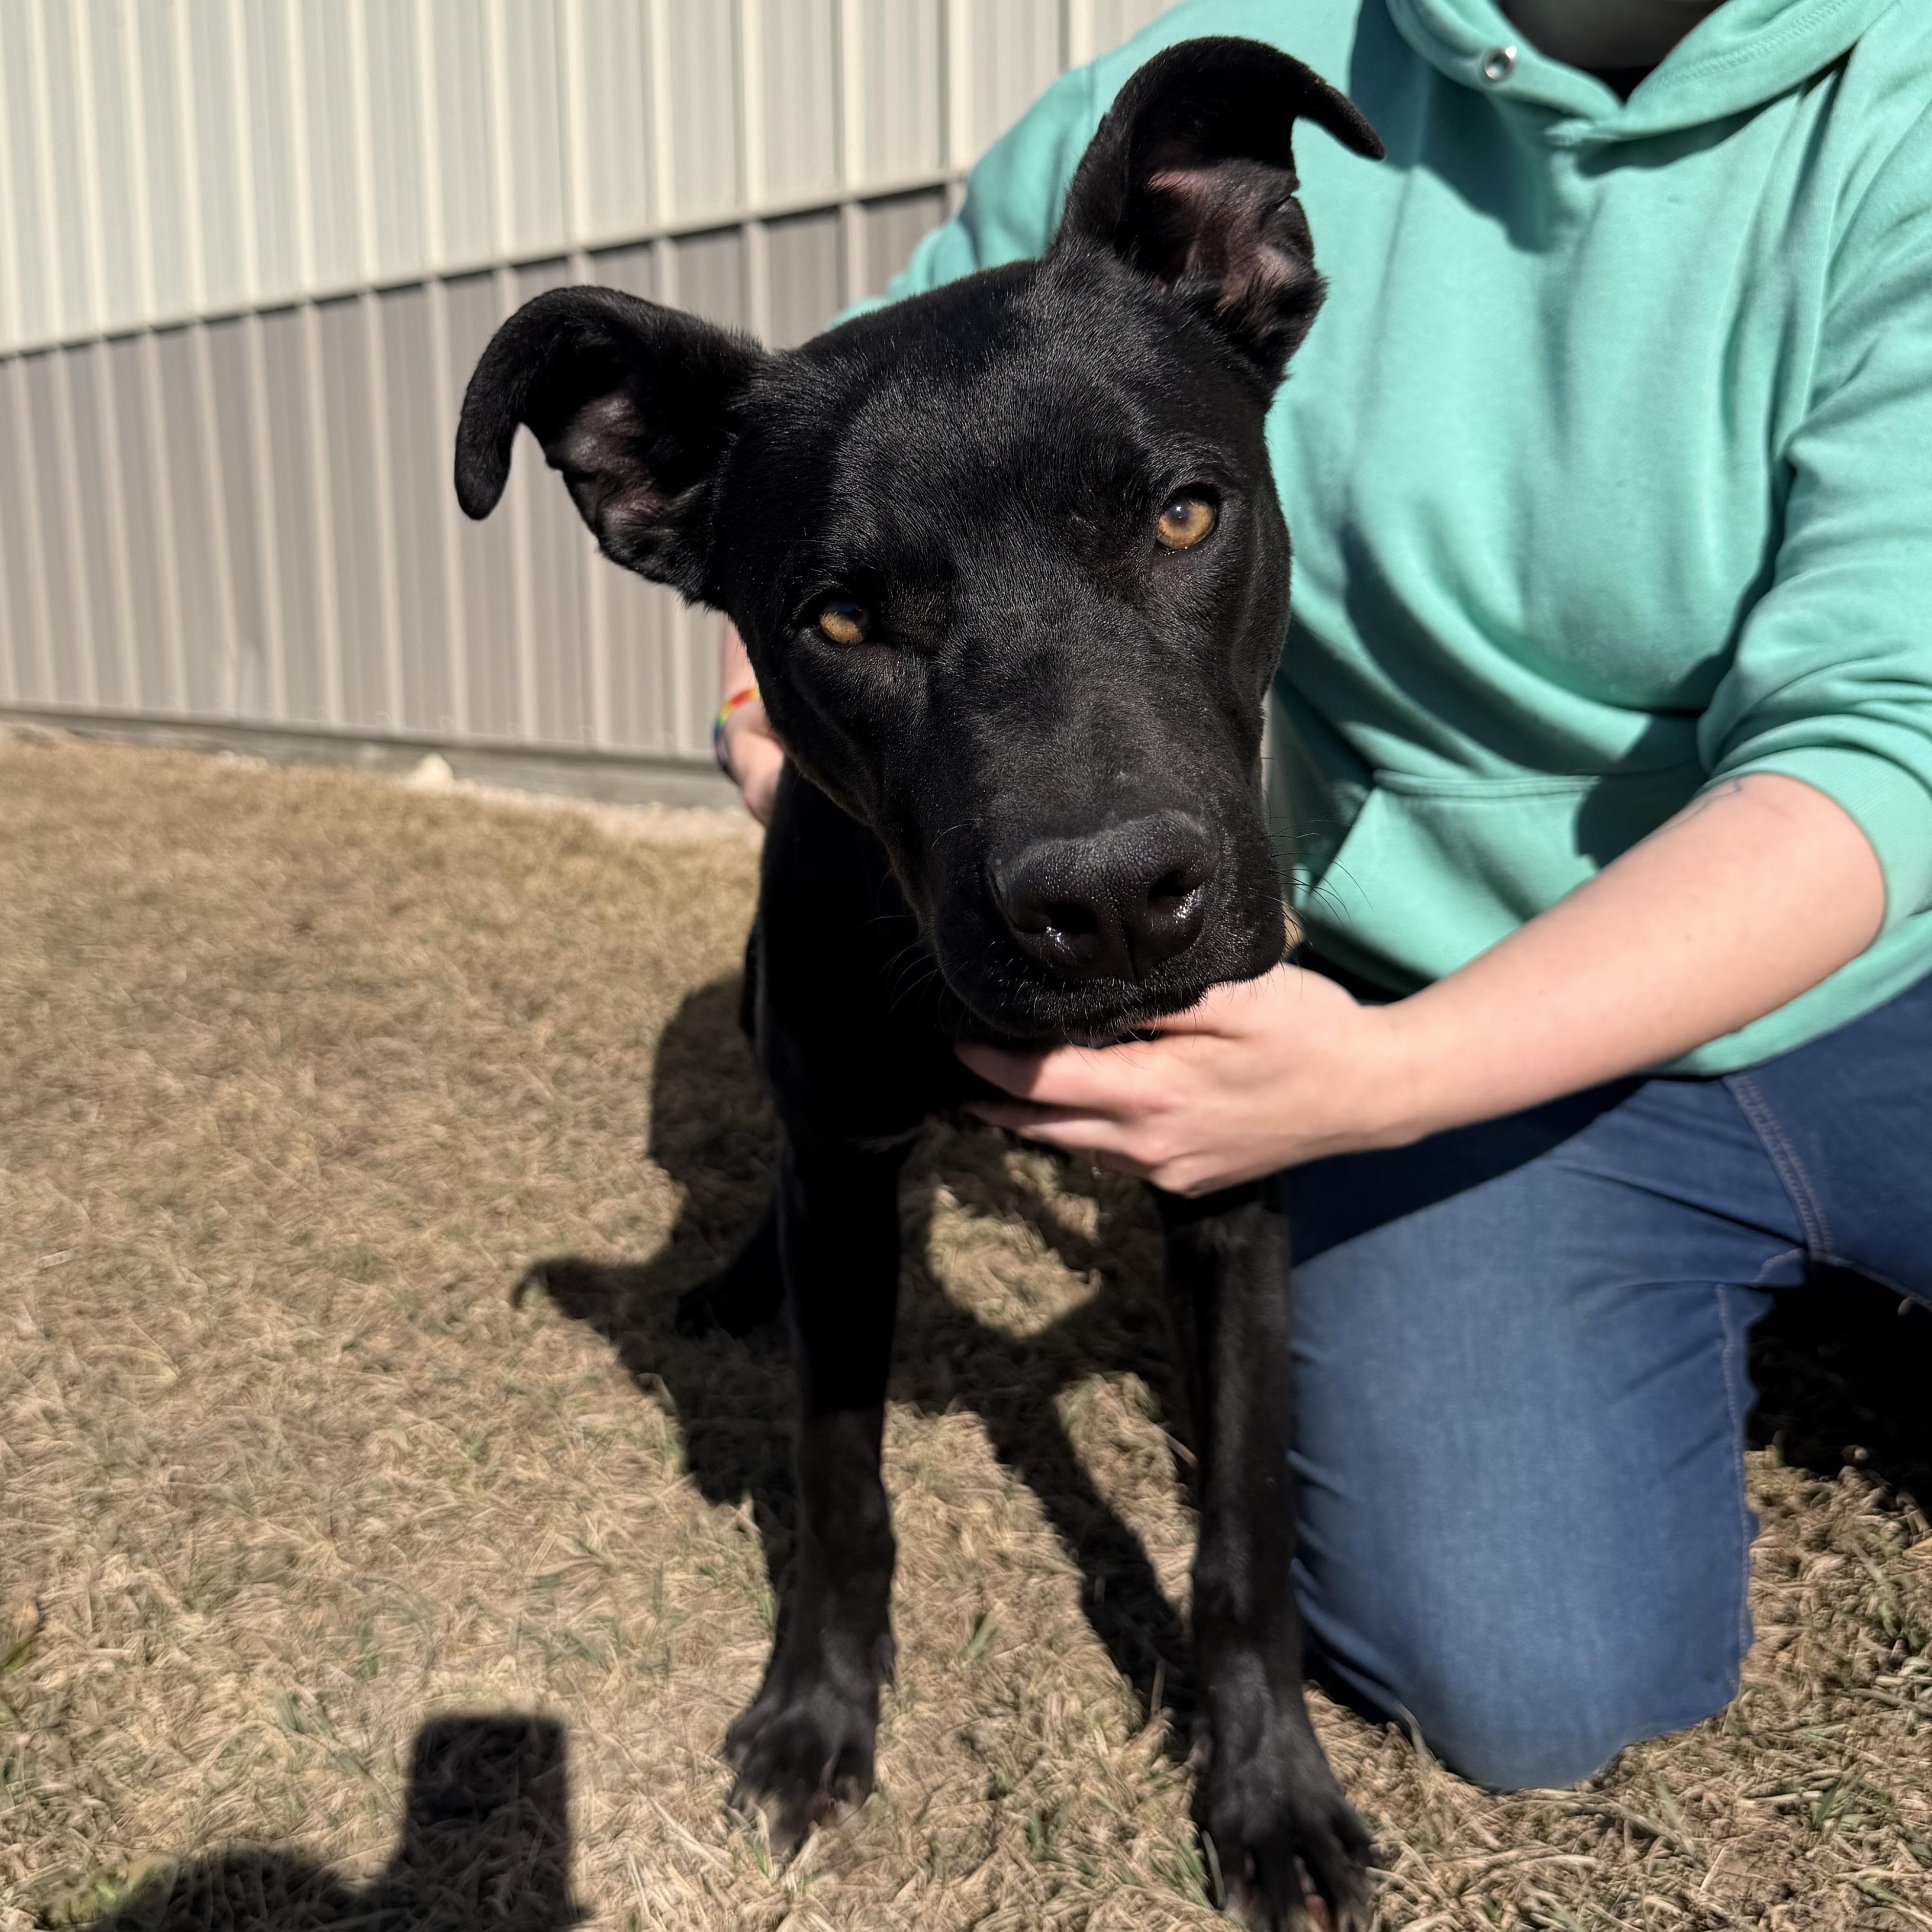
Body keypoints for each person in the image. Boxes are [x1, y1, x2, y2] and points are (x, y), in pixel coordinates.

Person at [711, 0, 1932, 1790]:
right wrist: (771, 710)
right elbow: (854, 437)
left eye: (1176, 521)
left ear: (1263, 282)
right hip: (1440, 974)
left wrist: (1373, 1085)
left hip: (1871, 960)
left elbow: (1894, 735)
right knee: (1527, 1673)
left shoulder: (1898, 111)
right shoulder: (1221, 80)